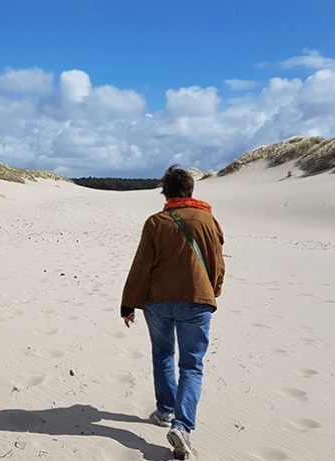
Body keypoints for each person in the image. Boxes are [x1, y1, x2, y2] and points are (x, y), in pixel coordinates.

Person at [120, 165, 225, 459]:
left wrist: (128, 303)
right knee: (191, 365)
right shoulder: (209, 220)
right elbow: (218, 263)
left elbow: (141, 265)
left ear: (165, 193)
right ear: (190, 191)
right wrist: (211, 292)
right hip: (196, 301)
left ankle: (166, 411)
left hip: (157, 302)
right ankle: (182, 427)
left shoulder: (156, 221)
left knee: (163, 355)